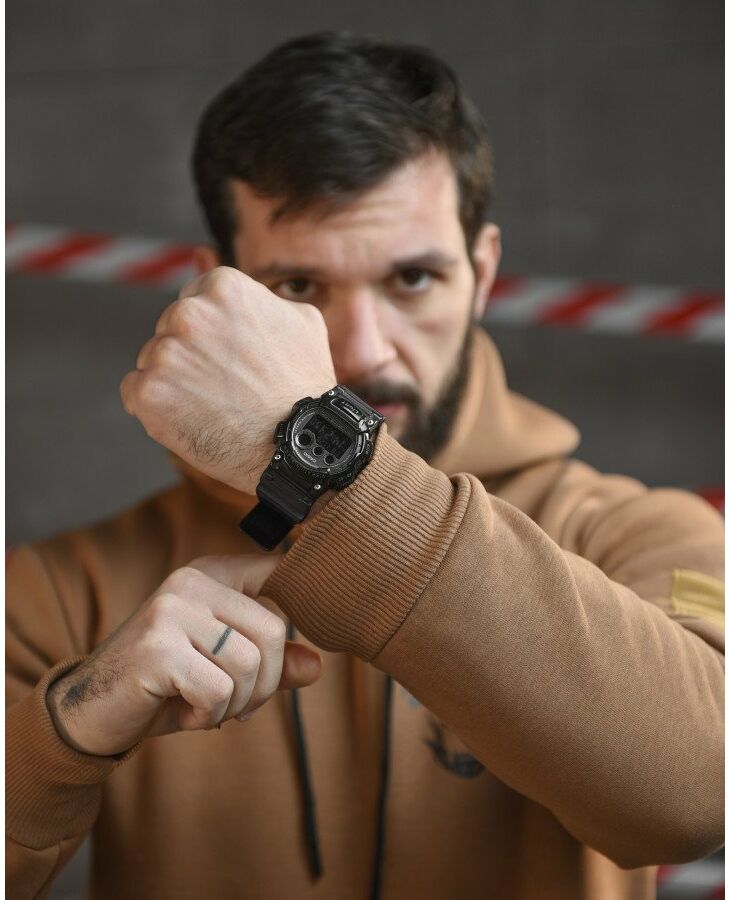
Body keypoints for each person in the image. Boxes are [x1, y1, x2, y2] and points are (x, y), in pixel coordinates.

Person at [6, 31, 724, 900]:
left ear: (482, 273)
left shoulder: (634, 534)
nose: (361, 352)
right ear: (218, 294)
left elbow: (702, 795)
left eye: (412, 278)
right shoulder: (65, 592)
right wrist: (72, 725)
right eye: (298, 288)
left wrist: (314, 452)